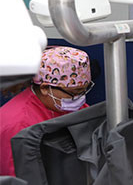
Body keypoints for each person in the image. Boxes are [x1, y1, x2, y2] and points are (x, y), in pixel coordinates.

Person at [0, 46, 92, 176]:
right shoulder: (18, 125)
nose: (80, 98)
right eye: (74, 93)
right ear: (44, 88)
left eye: (84, 90)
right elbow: (20, 182)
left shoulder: (66, 105)